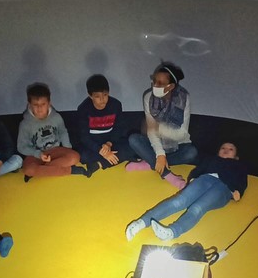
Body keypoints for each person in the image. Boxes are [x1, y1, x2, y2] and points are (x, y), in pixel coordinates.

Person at [126, 142, 247, 241]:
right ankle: (141, 222)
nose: (226, 150)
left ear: (236, 156)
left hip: (224, 187)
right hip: (205, 179)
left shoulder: (238, 165)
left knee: (198, 208)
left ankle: (172, 232)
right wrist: (193, 178)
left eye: (231, 149)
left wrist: (238, 191)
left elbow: (242, 180)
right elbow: (199, 169)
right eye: (223, 148)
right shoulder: (212, 160)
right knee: (179, 200)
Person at [127, 61, 197, 190]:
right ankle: (167, 174)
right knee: (134, 140)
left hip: (177, 146)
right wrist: (160, 154)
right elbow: (151, 132)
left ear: (171, 86)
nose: (155, 85)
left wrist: (159, 128)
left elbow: (182, 135)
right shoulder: (148, 97)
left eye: (160, 83)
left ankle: (150, 162)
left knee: (191, 153)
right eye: (154, 81)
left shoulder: (183, 98)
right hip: (155, 146)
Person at [17, 82, 83, 181]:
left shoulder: (56, 117)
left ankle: (41, 171)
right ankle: (69, 170)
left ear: (49, 103)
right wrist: (38, 154)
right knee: (28, 169)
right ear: (29, 105)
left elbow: (63, 132)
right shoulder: (25, 124)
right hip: (36, 155)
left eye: (43, 104)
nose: (39, 108)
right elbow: (21, 147)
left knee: (75, 157)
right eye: (35, 105)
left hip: (55, 151)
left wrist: (68, 148)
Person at [76, 74, 135, 176]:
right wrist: (100, 150)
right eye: (97, 96)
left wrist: (108, 144)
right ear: (90, 96)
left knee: (132, 147)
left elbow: (119, 128)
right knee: (82, 156)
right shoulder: (83, 109)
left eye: (105, 95)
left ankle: (99, 164)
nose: (102, 99)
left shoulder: (116, 105)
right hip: (94, 145)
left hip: (111, 143)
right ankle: (109, 159)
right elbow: (84, 137)